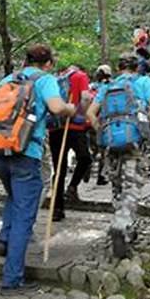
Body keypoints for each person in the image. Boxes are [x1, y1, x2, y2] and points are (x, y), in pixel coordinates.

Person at [0, 44, 75, 294]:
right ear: (48, 63)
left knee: (15, 198)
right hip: (26, 153)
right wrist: (71, 108)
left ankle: (4, 238)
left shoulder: (7, 79)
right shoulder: (45, 79)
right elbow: (58, 108)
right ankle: (12, 280)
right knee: (24, 216)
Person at [86, 53, 150, 258]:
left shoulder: (107, 87)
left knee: (118, 186)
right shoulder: (144, 82)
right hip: (134, 144)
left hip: (111, 144)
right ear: (137, 67)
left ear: (119, 68)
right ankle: (121, 225)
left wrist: (100, 131)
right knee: (132, 186)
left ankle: (128, 229)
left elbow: (90, 114)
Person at [48, 63, 92, 221]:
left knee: (59, 167)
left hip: (55, 128)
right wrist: (80, 114)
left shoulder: (54, 79)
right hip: (74, 126)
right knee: (85, 158)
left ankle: (57, 209)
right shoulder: (81, 76)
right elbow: (86, 97)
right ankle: (72, 186)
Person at [90, 64, 112, 186]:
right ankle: (102, 176)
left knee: (96, 149)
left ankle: (90, 171)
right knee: (104, 150)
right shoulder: (109, 86)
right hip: (105, 120)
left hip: (92, 120)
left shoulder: (93, 87)